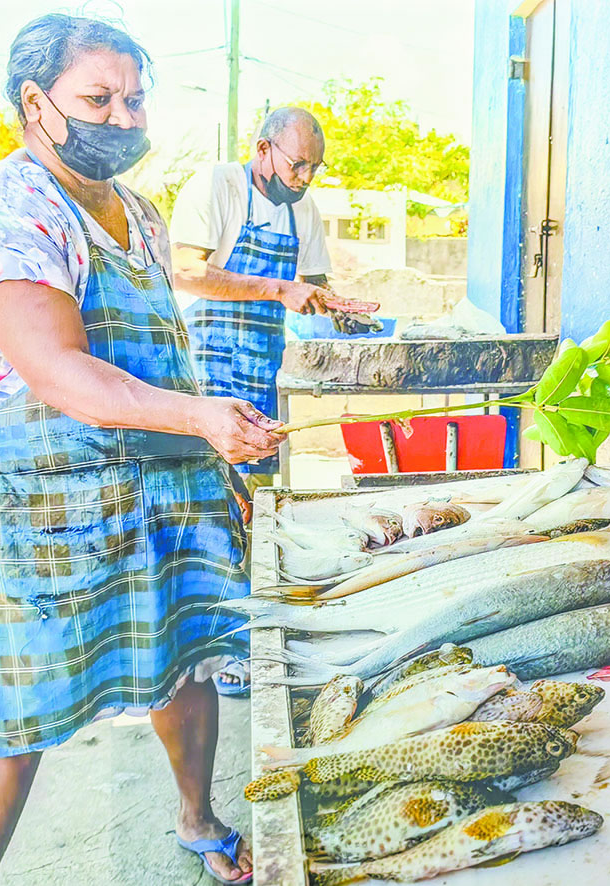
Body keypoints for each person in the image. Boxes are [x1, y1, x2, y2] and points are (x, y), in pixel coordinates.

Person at [0, 15, 273, 884]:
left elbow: (164, 344)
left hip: (163, 481)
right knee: (18, 709)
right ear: (35, 104)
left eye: (135, 98)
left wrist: (208, 450)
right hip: (50, 502)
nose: (124, 117)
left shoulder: (137, 210)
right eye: (98, 98)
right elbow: (59, 373)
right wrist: (200, 419)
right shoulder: (7, 211)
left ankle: (196, 818)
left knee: (185, 657)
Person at [171, 107, 376, 696]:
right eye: (298, 163)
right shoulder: (219, 185)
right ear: (264, 150)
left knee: (260, 500)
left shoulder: (302, 210)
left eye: (315, 167)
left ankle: (253, 634)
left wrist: (336, 307)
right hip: (207, 363)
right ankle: (213, 648)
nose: (306, 177)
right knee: (214, 503)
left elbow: (312, 287)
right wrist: (280, 288)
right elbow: (186, 273)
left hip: (264, 368)